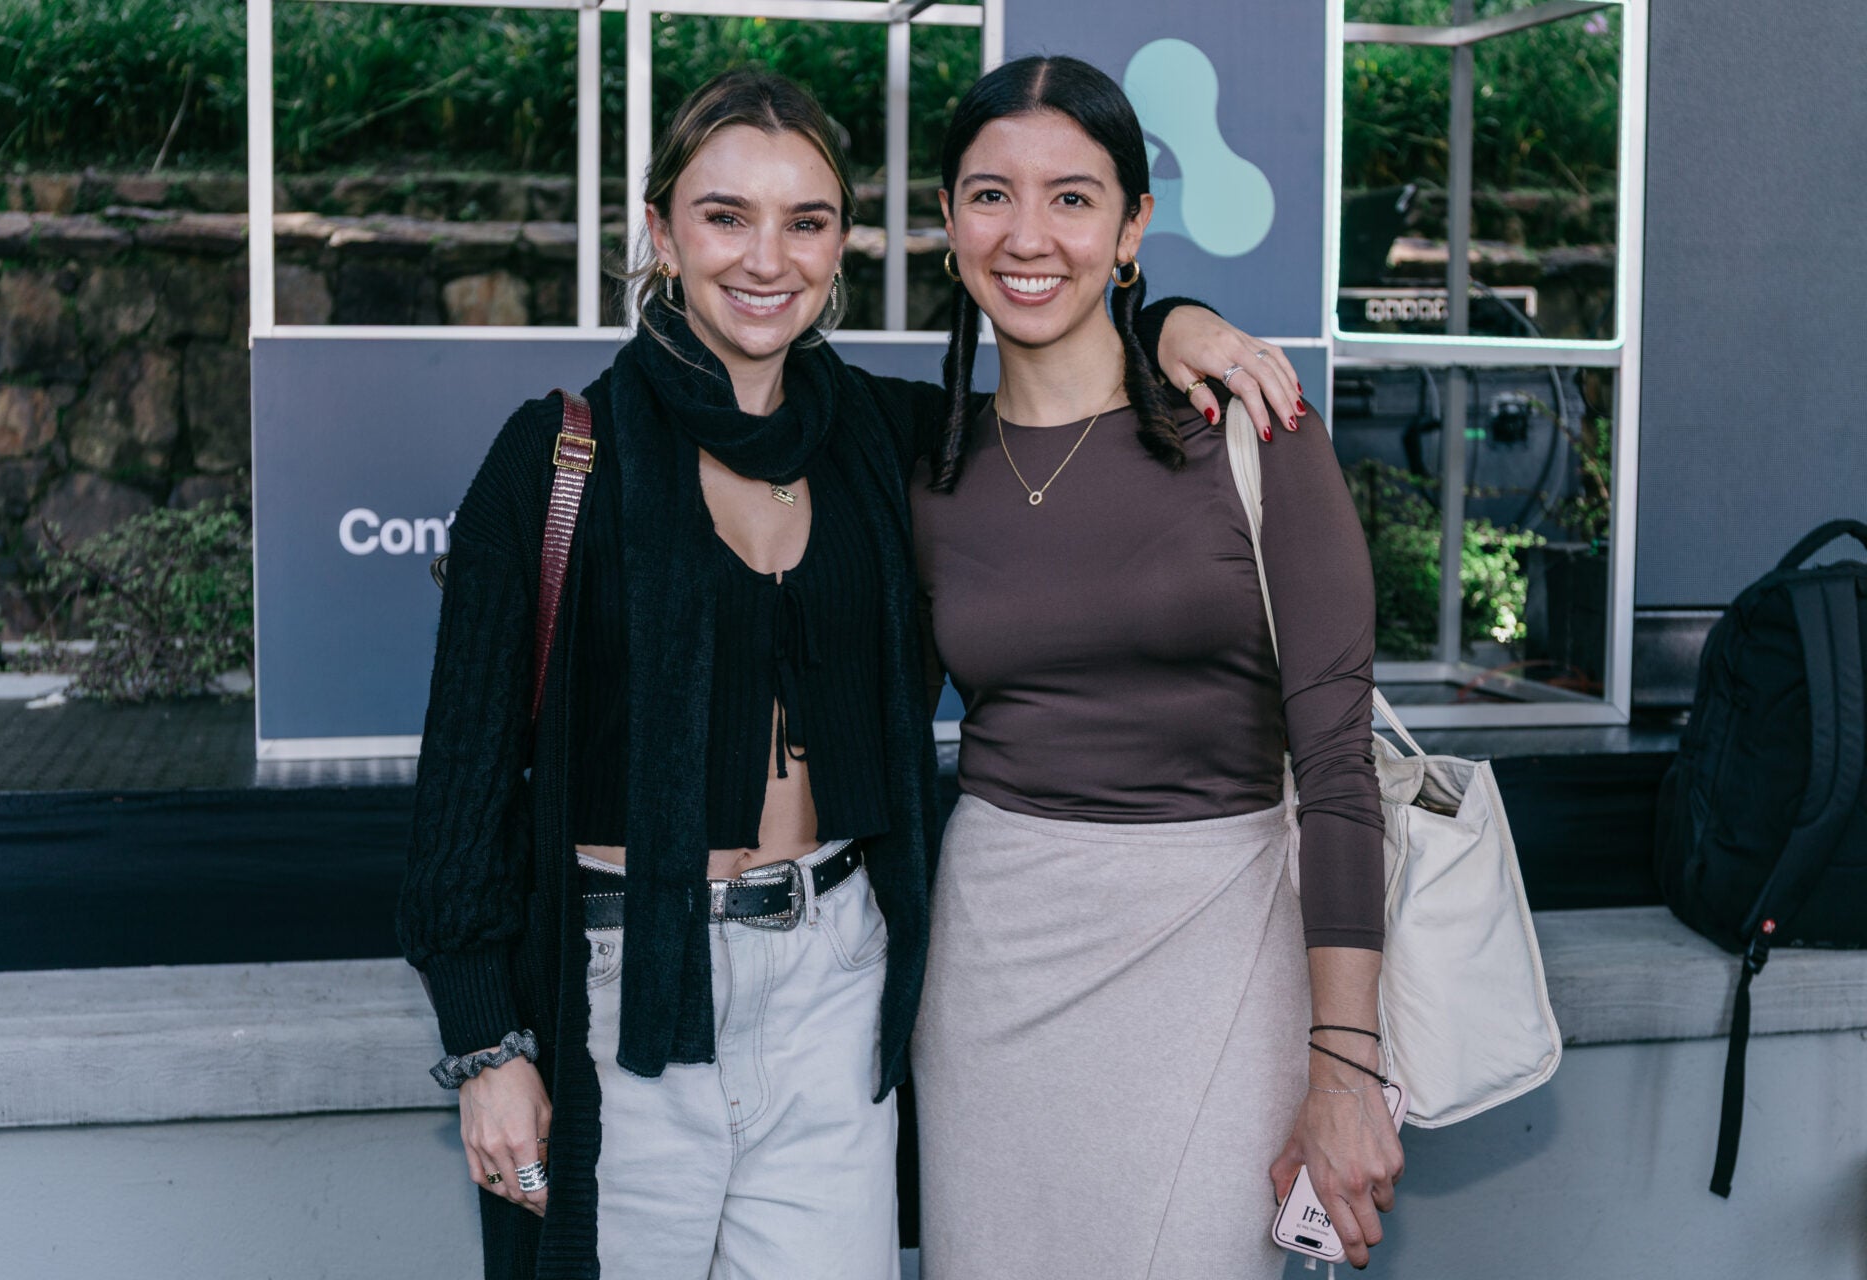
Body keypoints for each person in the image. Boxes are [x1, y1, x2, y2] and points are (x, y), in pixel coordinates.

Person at [396, 66, 1293, 1280]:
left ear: (842, 247)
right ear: (660, 230)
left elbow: (1061, 360)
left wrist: (1165, 320)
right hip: (622, 989)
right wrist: (488, 1049)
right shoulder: (555, 457)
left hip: (834, 980)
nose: (767, 259)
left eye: (806, 221)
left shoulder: (885, 437)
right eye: (726, 216)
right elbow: (459, 788)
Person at [909, 55, 1402, 1279]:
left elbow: (1339, 767)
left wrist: (1347, 1065)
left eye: (1074, 198)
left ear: (1132, 227)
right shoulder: (920, 462)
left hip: (1219, 948)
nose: (1029, 235)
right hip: (993, 967)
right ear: (948, 220)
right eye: (991, 194)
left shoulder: (1252, 423)